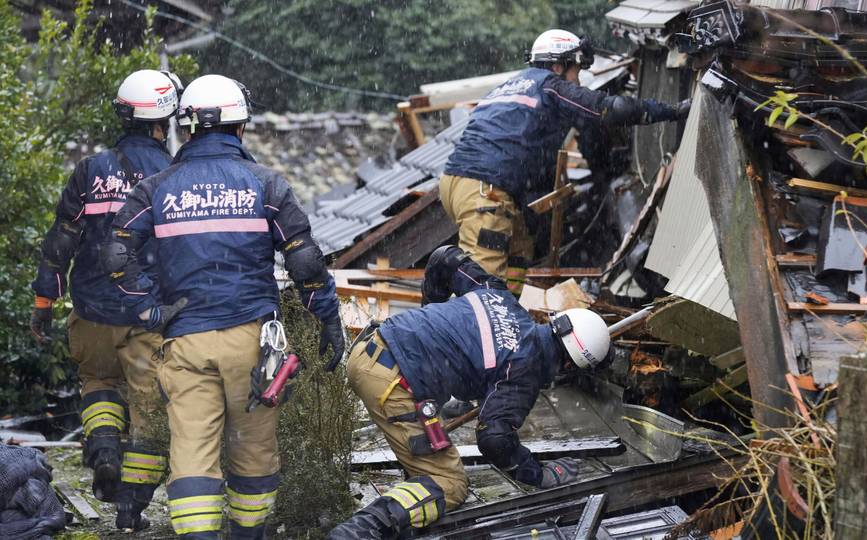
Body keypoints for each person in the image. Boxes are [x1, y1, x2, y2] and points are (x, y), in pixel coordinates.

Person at [101, 74, 344, 539]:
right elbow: (306, 263)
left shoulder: (155, 188)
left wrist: (149, 307)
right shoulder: (266, 185)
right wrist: (328, 320)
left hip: (185, 342)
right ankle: (248, 533)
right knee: (253, 447)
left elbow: (116, 253)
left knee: (192, 451)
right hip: (253, 343)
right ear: (241, 127)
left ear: (186, 128)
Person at [329, 245, 611, 538]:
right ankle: (360, 532)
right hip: (391, 383)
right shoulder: (523, 371)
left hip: (369, 346)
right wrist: (538, 474)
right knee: (449, 483)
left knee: (428, 447)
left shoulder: (499, 295)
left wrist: (429, 319)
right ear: (567, 364)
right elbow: (495, 439)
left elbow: (445, 257)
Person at [30, 69, 183, 531]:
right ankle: (130, 508)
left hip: (91, 309)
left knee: (97, 381)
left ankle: (102, 449)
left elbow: (60, 242)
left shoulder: (90, 171)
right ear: (164, 121)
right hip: (146, 316)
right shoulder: (173, 174)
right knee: (150, 412)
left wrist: (43, 302)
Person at [441, 29, 691, 295]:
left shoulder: (508, 86)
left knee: (519, 250)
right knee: (482, 289)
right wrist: (672, 111)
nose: (578, 80)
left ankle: (509, 309)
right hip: (485, 193)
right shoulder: (551, 86)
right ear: (559, 66)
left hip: (454, 184)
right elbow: (607, 108)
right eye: (576, 70)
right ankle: (483, 327)